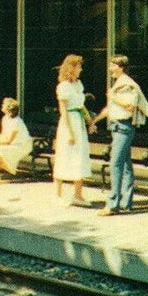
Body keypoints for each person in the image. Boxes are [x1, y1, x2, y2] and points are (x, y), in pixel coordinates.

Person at [90, 55, 148, 215]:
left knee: (115, 164)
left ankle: (112, 205)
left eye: (112, 65)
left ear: (121, 67)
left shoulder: (127, 84)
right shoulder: (119, 84)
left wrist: (113, 97)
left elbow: (130, 106)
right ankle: (126, 202)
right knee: (125, 166)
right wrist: (94, 120)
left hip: (124, 127)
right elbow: (110, 109)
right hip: (118, 127)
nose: (110, 68)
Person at [52, 54, 92, 206]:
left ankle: (78, 195)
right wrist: (69, 132)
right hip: (68, 123)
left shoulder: (78, 85)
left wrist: (89, 122)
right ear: (72, 68)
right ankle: (58, 193)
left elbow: (81, 106)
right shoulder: (63, 86)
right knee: (64, 155)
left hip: (79, 122)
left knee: (79, 157)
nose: (81, 69)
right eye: (79, 66)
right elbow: (63, 110)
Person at [0, 97, 32, 183]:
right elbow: (3, 135)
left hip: (21, 145)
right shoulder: (5, 118)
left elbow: (9, 141)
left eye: (4, 104)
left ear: (9, 108)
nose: (2, 105)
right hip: (12, 143)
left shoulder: (17, 122)